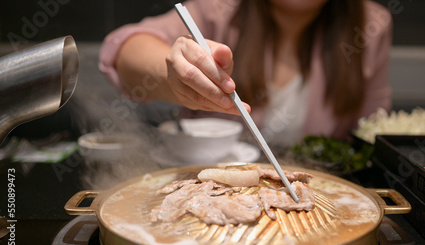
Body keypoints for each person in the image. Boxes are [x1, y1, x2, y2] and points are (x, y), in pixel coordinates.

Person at [99, 0, 392, 147]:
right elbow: (125, 49)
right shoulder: (219, 9)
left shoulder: (371, 25)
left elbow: (372, 134)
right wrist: (173, 76)